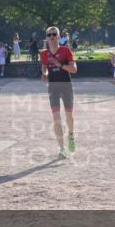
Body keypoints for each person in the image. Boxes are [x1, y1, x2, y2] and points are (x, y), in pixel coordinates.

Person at [40, 26, 77, 158]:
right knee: (56, 119)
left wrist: (59, 64)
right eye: (49, 35)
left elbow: (74, 69)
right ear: (46, 37)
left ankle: (71, 136)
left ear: (59, 36)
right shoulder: (44, 54)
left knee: (69, 116)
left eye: (54, 34)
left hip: (66, 87)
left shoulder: (66, 51)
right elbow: (44, 67)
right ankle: (62, 149)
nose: (51, 37)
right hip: (53, 88)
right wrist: (44, 74)